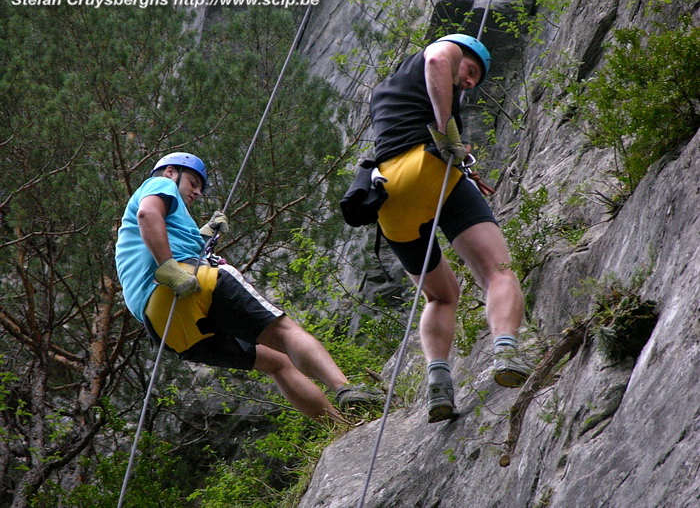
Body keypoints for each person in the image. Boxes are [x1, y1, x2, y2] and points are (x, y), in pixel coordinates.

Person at [115, 152, 381, 423]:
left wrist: (203, 236)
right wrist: (168, 266)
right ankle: (345, 389)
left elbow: (163, 234)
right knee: (285, 332)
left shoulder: (162, 224)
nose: (197, 192)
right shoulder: (160, 184)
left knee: (277, 362)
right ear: (172, 172)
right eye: (193, 182)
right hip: (187, 281)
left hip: (165, 323)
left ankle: (341, 426)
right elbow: (148, 214)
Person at [368, 34, 531, 423]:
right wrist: (445, 131)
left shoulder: (386, 91)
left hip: (387, 195)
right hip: (427, 167)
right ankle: (506, 348)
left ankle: (437, 382)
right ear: (465, 53)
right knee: (498, 272)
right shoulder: (447, 50)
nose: (470, 82)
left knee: (440, 296)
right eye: (472, 71)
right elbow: (439, 60)